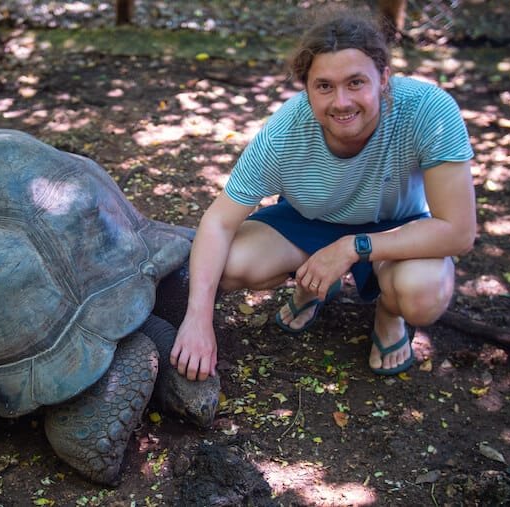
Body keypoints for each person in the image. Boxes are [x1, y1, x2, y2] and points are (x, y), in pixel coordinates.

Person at [169, 5, 476, 381]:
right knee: (228, 266)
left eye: (356, 82)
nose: (341, 102)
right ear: (307, 90)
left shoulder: (429, 109)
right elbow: (218, 221)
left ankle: (388, 313)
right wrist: (198, 320)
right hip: (308, 222)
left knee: (422, 294)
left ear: (384, 78)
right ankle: (313, 283)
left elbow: (459, 232)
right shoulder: (284, 130)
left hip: (397, 227)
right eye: (325, 86)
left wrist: (351, 248)